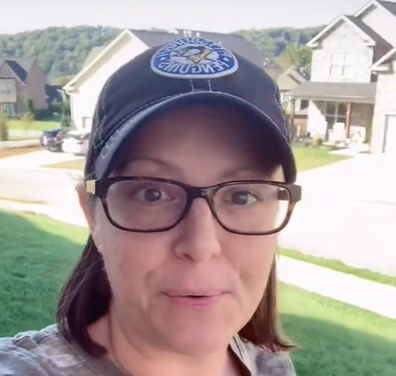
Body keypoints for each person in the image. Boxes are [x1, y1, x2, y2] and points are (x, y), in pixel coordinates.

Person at [0, 37, 301, 376]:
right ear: (92, 214)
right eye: (152, 194)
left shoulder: (270, 365)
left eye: (242, 196)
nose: (201, 246)